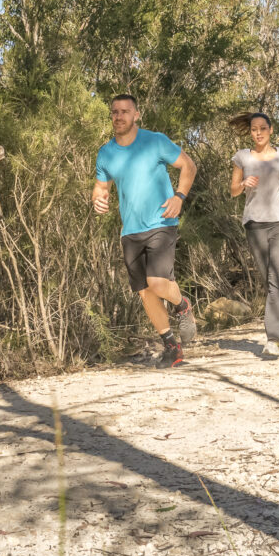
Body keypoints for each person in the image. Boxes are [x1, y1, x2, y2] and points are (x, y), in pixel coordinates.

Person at [92, 94, 198, 367]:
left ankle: (182, 305)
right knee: (145, 292)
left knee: (158, 283)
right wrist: (98, 198)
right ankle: (172, 348)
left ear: (136, 115)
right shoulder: (105, 153)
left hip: (162, 222)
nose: (119, 116)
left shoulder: (156, 141)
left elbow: (188, 166)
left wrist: (179, 197)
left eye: (125, 111)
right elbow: (101, 187)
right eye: (114, 111)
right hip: (130, 231)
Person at [229, 111, 279, 359]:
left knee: (275, 273)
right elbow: (233, 191)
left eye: (262, 129)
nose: (257, 133)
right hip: (255, 224)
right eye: (253, 129)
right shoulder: (242, 157)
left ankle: (273, 339)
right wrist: (243, 184)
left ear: (270, 131)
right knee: (269, 278)